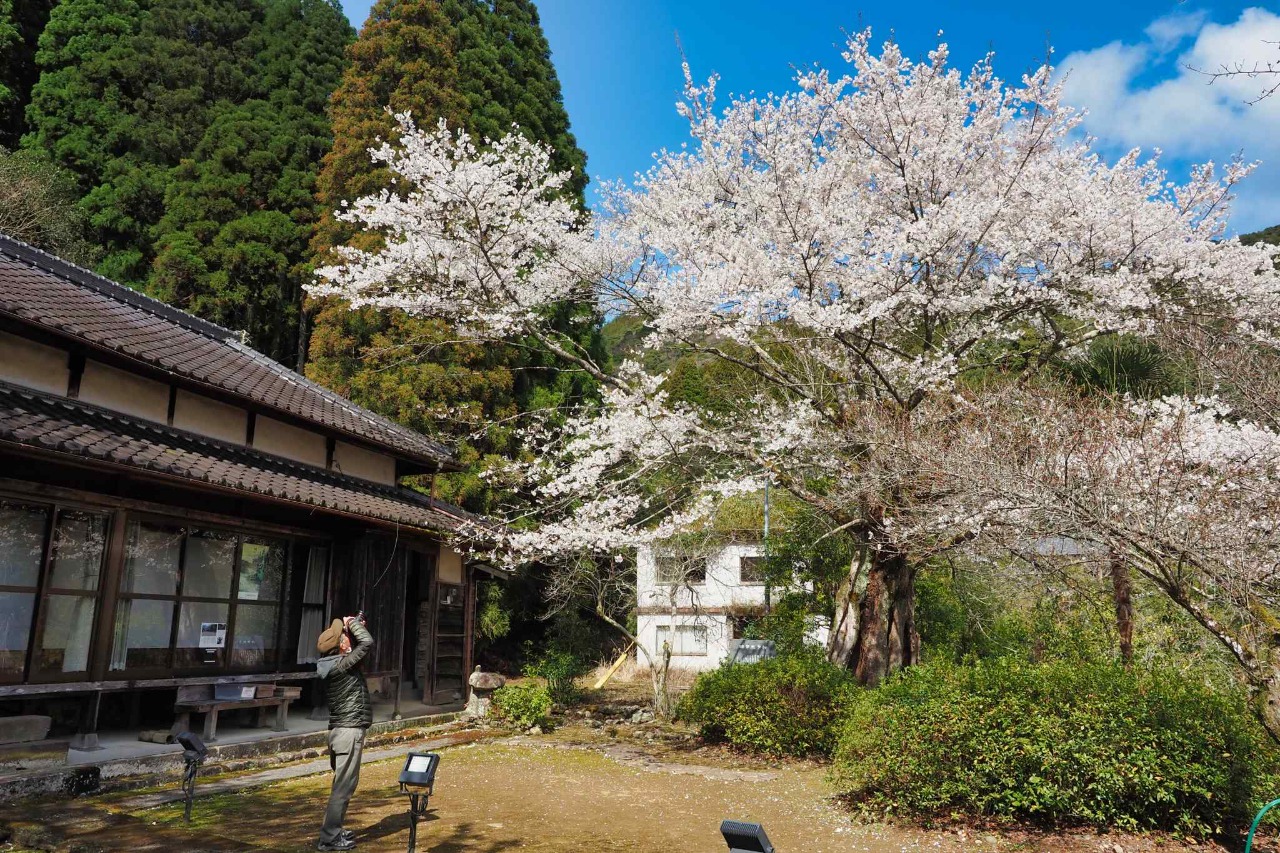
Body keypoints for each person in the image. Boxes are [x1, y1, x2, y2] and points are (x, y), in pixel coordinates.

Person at [315, 614, 375, 851]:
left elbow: (360, 649)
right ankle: (330, 838)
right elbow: (367, 643)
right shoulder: (341, 666)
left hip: (339, 732)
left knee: (340, 787)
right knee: (343, 788)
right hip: (348, 733)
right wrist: (353, 624)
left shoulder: (333, 665)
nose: (347, 639)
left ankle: (333, 831)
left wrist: (354, 628)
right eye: (344, 637)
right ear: (341, 645)